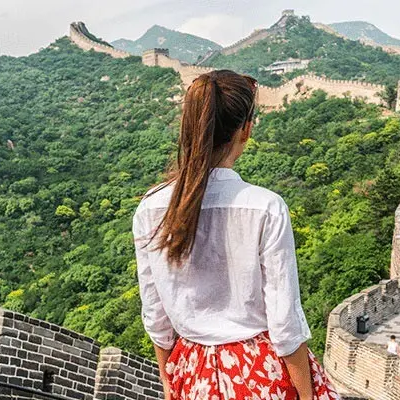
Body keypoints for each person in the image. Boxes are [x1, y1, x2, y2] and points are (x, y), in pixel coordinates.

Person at [133, 71, 316, 400]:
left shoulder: (150, 209)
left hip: (191, 372)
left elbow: (157, 319)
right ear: (245, 129)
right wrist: (308, 394)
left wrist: (168, 381)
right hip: (260, 374)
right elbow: (285, 325)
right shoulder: (267, 208)